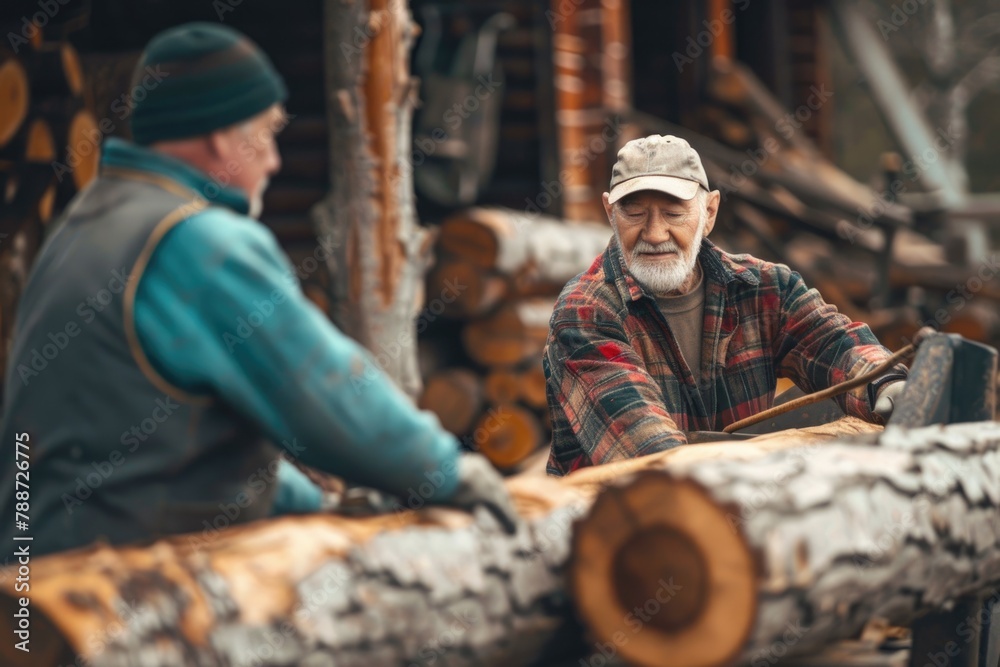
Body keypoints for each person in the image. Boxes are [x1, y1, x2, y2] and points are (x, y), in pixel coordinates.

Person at [0, 23, 516, 557]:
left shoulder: (79, 225)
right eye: (267, 134)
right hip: (127, 589)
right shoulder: (197, 241)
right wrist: (448, 472)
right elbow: (324, 388)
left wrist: (314, 505)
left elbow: (186, 444)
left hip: (31, 579)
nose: (274, 161)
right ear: (222, 135)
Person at [543, 134, 907, 476]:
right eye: (634, 213)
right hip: (615, 529)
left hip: (732, 513)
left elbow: (833, 343)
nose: (654, 234)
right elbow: (648, 450)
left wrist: (884, 384)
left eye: (673, 213)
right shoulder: (586, 313)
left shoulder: (763, 288)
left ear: (710, 213)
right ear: (610, 213)